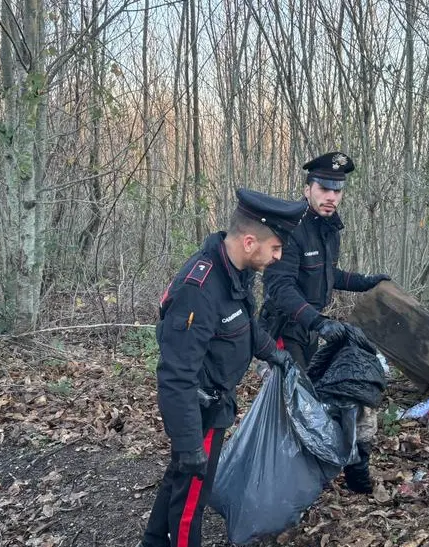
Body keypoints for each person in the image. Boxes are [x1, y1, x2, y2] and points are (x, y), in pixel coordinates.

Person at [141, 188, 306, 547]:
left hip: (216, 403)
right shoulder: (199, 288)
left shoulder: (235, 271)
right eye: (276, 248)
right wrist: (189, 443)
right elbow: (176, 374)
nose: (278, 256)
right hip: (199, 410)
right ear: (249, 242)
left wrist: (273, 353)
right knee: (191, 500)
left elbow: (244, 324)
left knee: (180, 481)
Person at [260, 151, 390, 495]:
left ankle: (330, 469)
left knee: (322, 398)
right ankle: (279, 482)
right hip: (283, 331)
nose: (331, 196)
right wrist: (318, 322)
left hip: (310, 330)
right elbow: (280, 288)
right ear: (308, 189)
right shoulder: (290, 228)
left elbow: (328, 274)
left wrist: (365, 282)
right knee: (292, 404)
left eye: (337, 190)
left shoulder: (329, 228)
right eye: (324, 188)